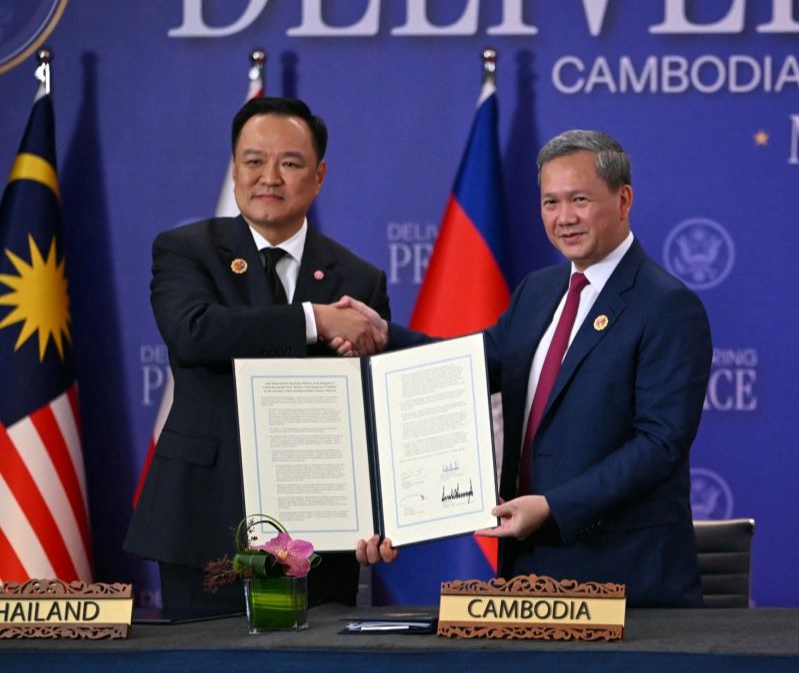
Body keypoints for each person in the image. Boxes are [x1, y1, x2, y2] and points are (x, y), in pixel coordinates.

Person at [354, 130, 712, 606]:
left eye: (579, 199)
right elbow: (468, 369)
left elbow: (659, 446)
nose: (564, 218)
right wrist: (383, 336)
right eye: (550, 202)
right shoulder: (538, 292)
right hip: (527, 571)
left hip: (625, 579)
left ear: (623, 199)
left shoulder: (667, 305)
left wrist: (552, 507)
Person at [125, 97, 393, 611]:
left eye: (289, 163)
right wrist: (315, 321)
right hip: (203, 517)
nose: (269, 177)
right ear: (233, 170)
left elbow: (370, 411)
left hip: (322, 528)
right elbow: (194, 332)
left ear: (319, 175)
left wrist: (381, 513)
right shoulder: (186, 249)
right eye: (253, 161)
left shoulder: (359, 280)